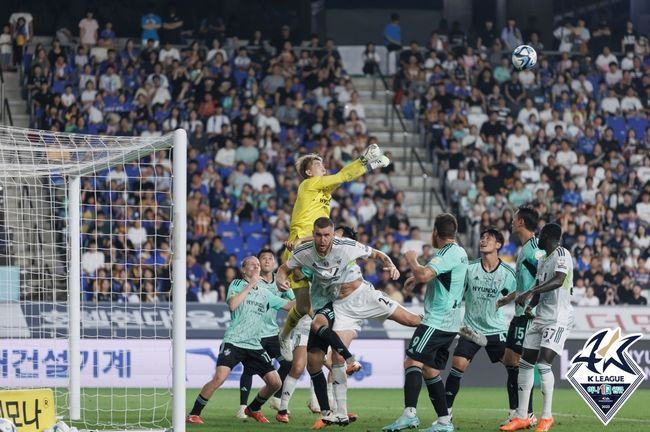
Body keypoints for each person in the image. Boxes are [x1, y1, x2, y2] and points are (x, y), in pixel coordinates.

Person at [277, 219, 420, 428]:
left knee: (412, 320)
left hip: (364, 296)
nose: (323, 239)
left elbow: (377, 254)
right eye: (318, 235)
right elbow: (285, 268)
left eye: (327, 235)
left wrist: (390, 265)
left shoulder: (347, 247)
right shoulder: (306, 253)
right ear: (314, 234)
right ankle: (340, 413)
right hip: (341, 308)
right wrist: (282, 279)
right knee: (333, 356)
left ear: (333, 235)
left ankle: (451, 327)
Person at [277, 145, 390, 361]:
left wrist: (369, 165)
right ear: (309, 172)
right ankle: (286, 337)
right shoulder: (309, 184)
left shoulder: (322, 191)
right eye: (319, 165)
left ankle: (316, 343)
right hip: (298, 246)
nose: (323, 168)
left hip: (316, 245)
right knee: (302, 306)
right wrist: (364, 161)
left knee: (306, 306)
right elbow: (342, 175)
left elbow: (340, 180)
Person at [383, 213, 469, 432]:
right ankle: (443, 422)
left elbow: (425, 275)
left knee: (412, 361)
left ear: (435, 232)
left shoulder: (446, 253)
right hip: (449, 324)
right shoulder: (460, 253)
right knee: (430, 370)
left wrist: (412, 260)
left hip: (436, 322)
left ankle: (409, 415)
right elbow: (440, 278)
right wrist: (420, 276)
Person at [186, 256, 295, 425]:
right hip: (234, 341)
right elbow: (232, 305)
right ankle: (194, 414)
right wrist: (251, 285)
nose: (257, 267)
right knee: (220, 377)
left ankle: (253, 408)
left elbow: (290, 306)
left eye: (258, 265)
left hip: (254, 344)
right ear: (243, 270)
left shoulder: (266, 293)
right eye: (253, 265)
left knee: (275, 383)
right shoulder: (237, 284)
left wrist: (305, 291)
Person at [500, 223, 574, 432]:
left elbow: (558, 281)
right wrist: (530, 306)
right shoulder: (542, 259)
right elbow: (541, 290)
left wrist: (530, 292)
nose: (537, 238)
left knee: (543, 365)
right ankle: (522, 417)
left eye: (541, 235)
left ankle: (546, 417)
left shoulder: (562, 254)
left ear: (549, 237)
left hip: (558, 318)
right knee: (525, 363)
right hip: (541, 316)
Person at [444, 228, 517, 418]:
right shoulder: (470, 268)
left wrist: (507, 299)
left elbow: (522, 291)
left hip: (496, 329)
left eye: (489, 238)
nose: (483, 240)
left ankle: (516, 412)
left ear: (499, 245)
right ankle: (446, 413)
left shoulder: (509, 272)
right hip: (471, 328)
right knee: (458, 363)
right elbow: (456, 291)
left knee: (513, 366)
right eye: (482, 237)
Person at [236, 249, 293, 419]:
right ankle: (243, 407)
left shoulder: (280, 280)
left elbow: (291, 303)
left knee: (287, 363)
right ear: (258, 264)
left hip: (272, 334)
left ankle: (276, 398)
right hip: (255, 334)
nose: (267, 261)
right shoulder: (253, 281)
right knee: (249, 369)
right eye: (263, 258)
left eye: (270, 258)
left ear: (275, 263)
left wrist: (289, 290)